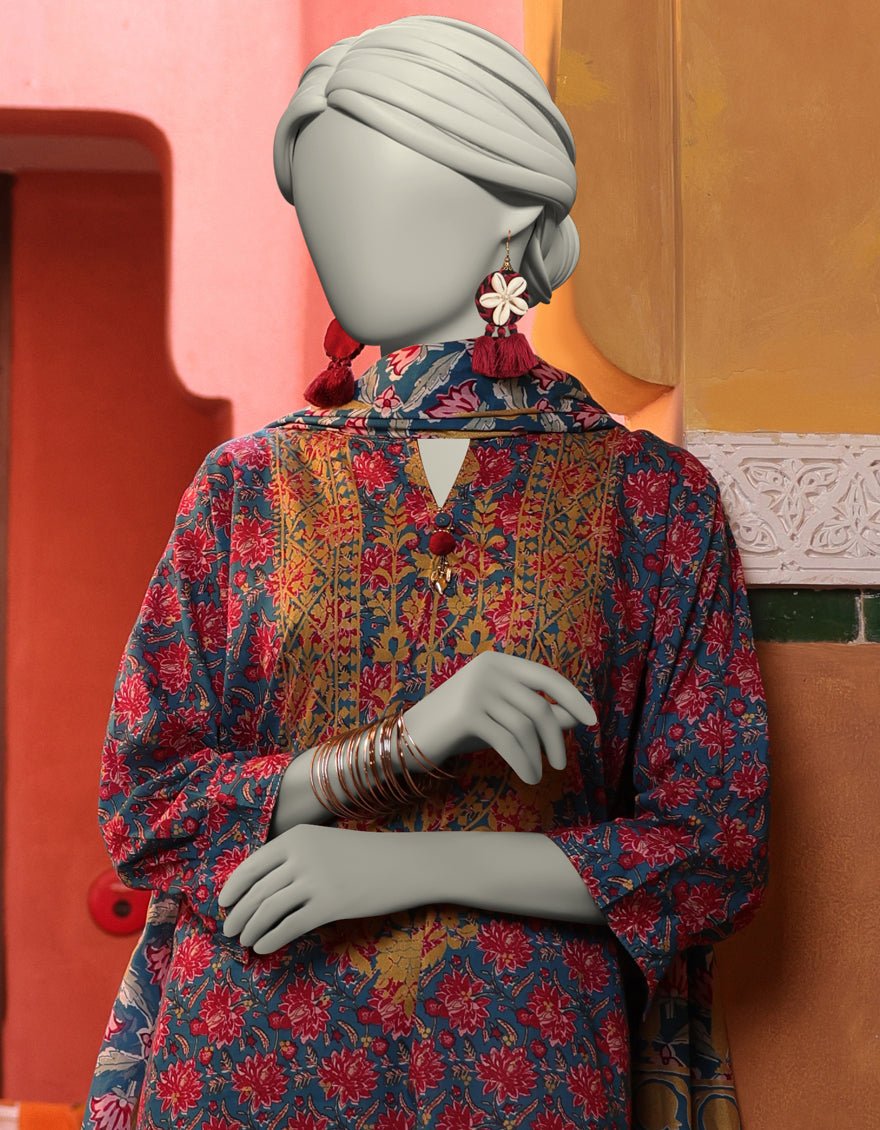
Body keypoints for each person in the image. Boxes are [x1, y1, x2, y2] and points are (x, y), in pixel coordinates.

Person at [83, 15, 769, 1130]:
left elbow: (711, 848)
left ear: (508, 202)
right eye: (317, 205)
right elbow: (146, 800)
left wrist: (407, 868)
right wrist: (402, 747)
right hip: (246, 1049)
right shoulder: (248, 488)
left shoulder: (652, 500)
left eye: (369, 190)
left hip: (519, 1063)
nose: (336, 237)